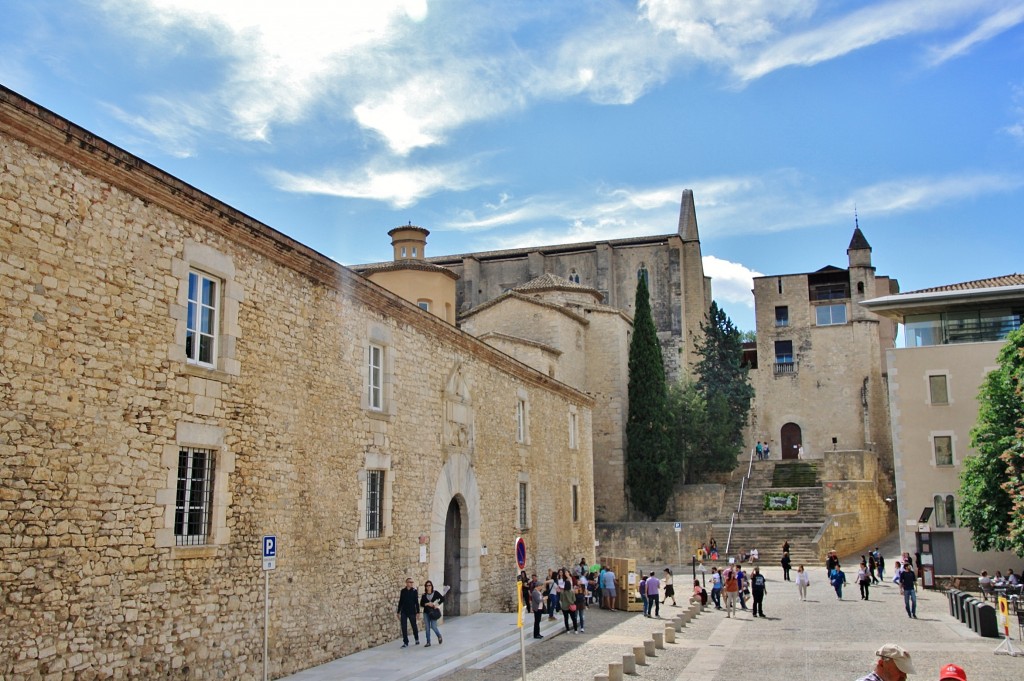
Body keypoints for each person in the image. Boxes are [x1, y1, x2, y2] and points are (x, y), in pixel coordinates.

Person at [396, 577, 420, 648]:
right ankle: (405, 642)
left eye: (412, 582)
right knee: (404, 627)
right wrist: (398, 611)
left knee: (414, 626)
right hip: (404, 611)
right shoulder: (403, 591)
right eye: (410, 582)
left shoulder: (414, 591)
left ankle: (416, 638)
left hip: (412, 611)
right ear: (406, 583)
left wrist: (418, 612)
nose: (411, 583)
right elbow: (401, 601)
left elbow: (416, 602)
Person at [420, 580, 444, 646]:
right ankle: (428, 642)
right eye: (427, 586)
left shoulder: (435, 593)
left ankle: (439, 635)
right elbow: (421, 604)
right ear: (425, 587)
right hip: (426, 613)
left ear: (431, 586)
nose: (428, 587)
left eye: (429, 585)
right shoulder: (424, 595)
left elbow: (442, 598)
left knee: (433, 626)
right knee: (427, 628)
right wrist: (427, 604)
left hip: (433, 612)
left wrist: (436, 605)